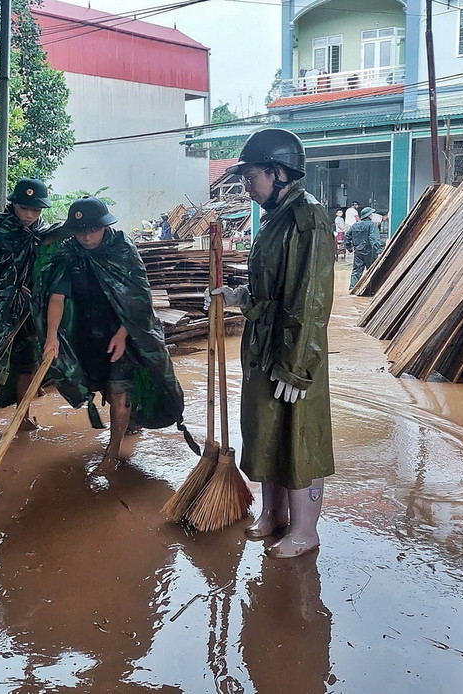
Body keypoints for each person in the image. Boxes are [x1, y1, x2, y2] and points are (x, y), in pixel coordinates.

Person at [213, 128, 335, 559]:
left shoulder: (308, 218)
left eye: (251, 176)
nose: (246, 184)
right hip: (265, 347)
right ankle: (273, 514)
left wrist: (297, 366)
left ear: (279, 171)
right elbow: (271, 291)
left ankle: (305, 530)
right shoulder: (275, 217)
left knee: (299, 436)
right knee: (266, 428)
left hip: (294, 351)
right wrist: (240, 299)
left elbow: (310, 300)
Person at [37, 196, 190, 473]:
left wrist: (124, 333)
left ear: (105, 227)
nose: (86, 237)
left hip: (128, 330)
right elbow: (57, 296)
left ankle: (113, 453)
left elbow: (139, 297)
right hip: (89, 331)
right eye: (80, 232)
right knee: (105, 385)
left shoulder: (122, 250)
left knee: (120, 388)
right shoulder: (70, 253)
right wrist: (52, 336)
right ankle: (129, 425)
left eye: (92, 231)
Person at [0, 177, 54, 442]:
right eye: (24, 207)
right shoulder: (2, 230)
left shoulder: (39, 232)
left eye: (35, 210)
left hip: (26, 311)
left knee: (27, 363)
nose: (29, 214)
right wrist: (13, 289)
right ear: (13, 204)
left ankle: (23, 416)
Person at [344, 206, 383, 290]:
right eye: (372, 214)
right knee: (372, 271)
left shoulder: (355, 225)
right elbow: (374, 238)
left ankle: (352, 288)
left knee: (356, 271)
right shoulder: (372, 225)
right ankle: (372, 289)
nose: (372, 215)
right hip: (370, 252)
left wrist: (349, 248)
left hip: (358, 252)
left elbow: (347, 236)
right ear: (369, 215)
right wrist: (379, 250)